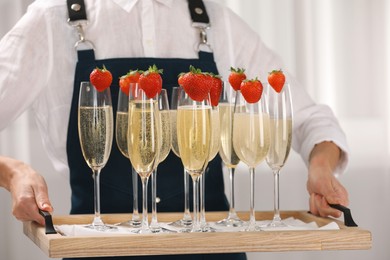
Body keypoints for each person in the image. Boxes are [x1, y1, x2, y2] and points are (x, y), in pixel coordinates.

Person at [0, 0, 349, 259]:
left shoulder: (215, 20)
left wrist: (321, 168)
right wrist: (14, 172)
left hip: (212, 249)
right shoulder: (52, 19)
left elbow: (308, 118)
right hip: (101, 249)